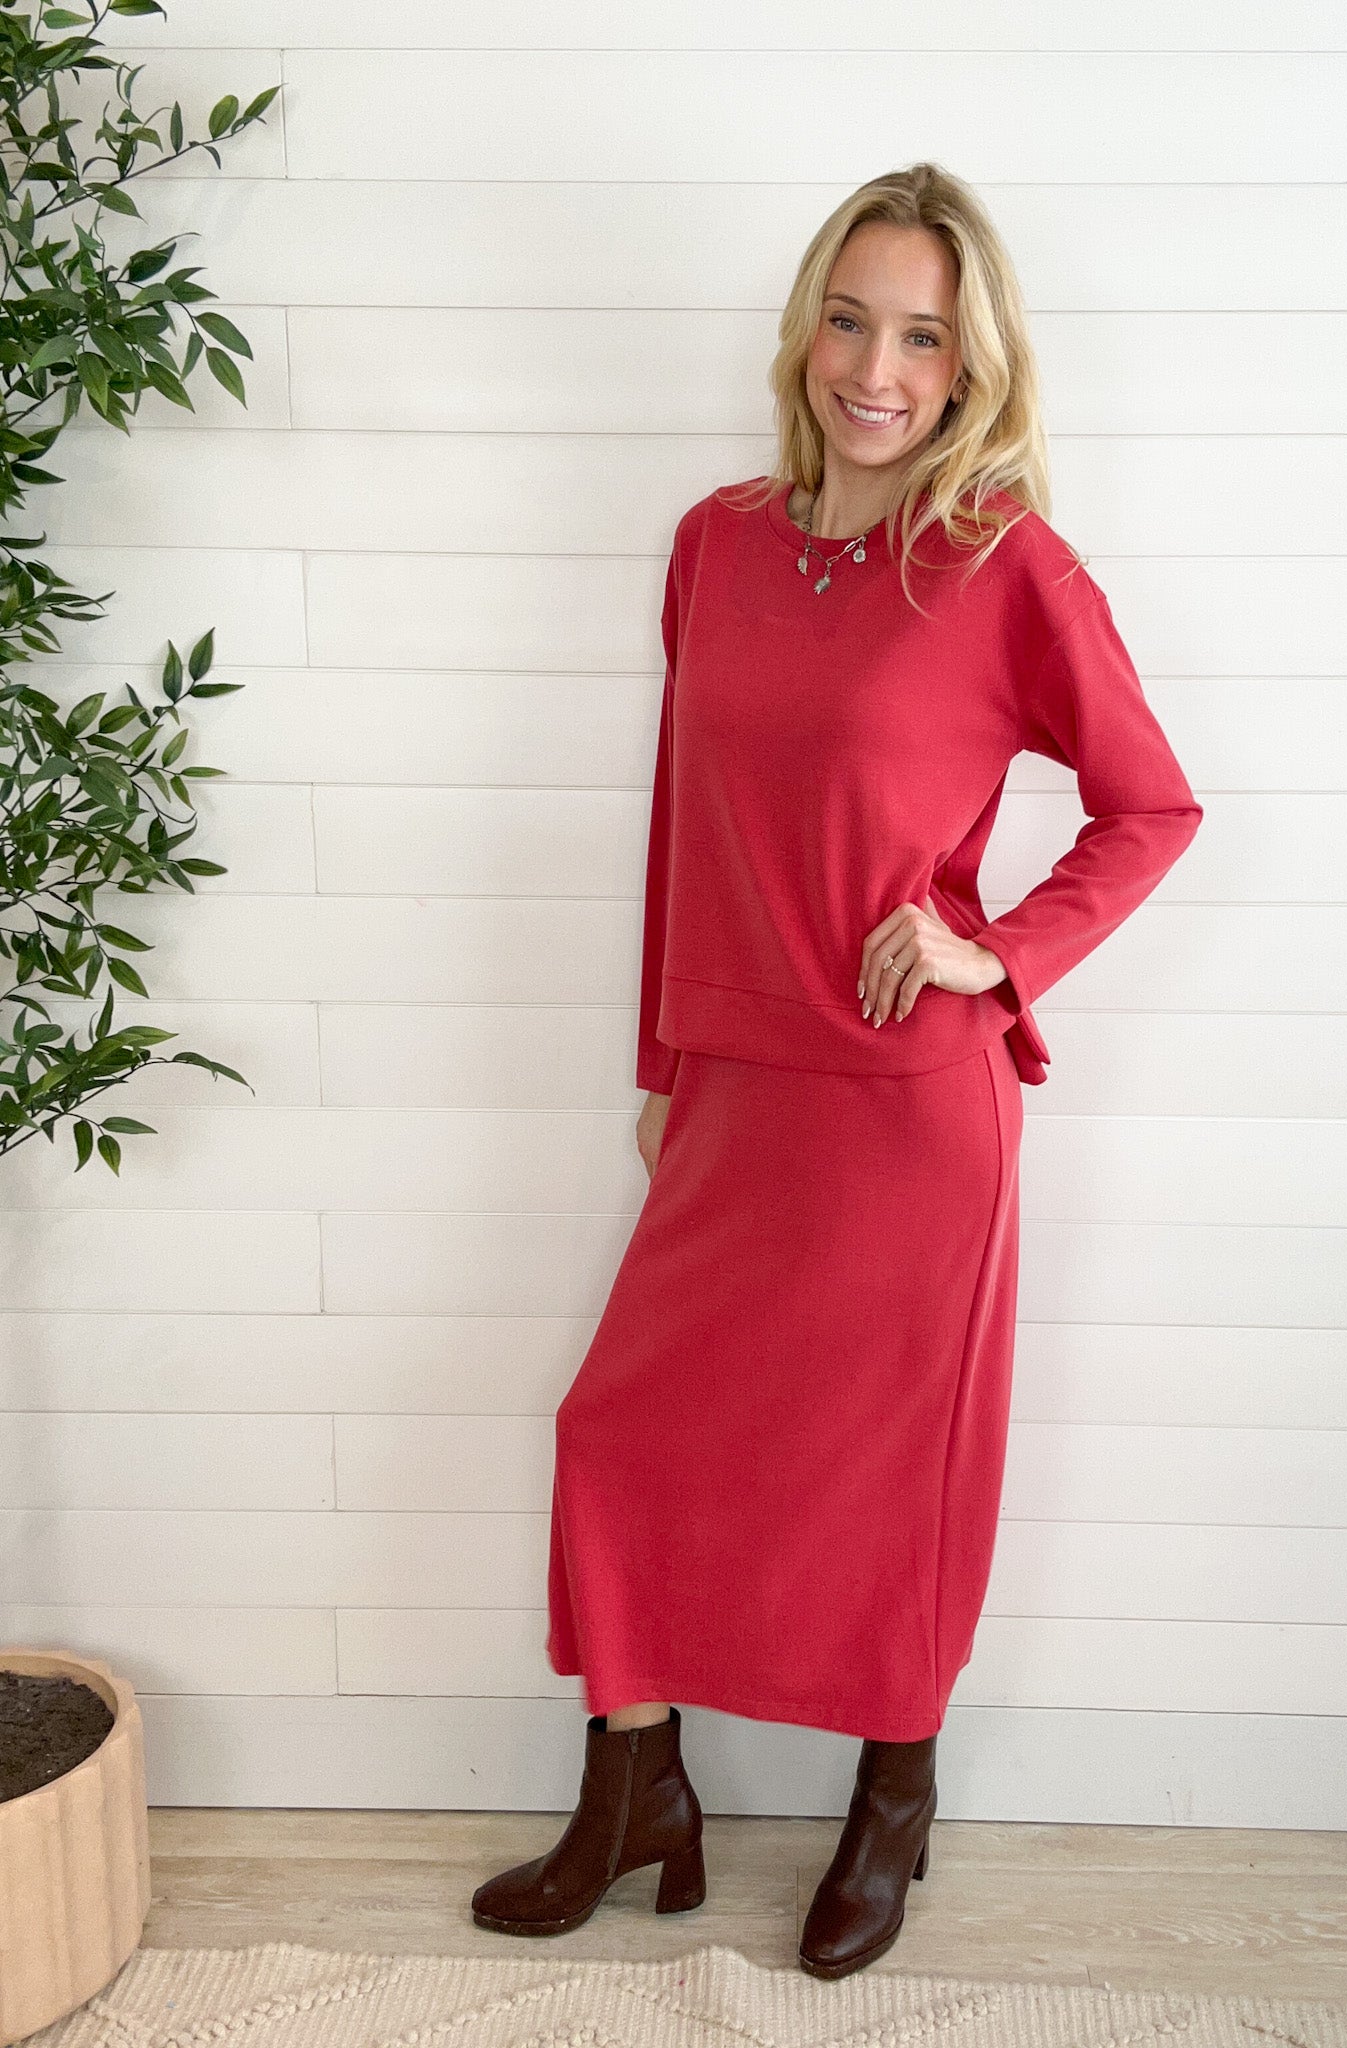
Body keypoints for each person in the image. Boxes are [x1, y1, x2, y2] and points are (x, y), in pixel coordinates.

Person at [471, 160, 1203, 1979]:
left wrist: (997, 948)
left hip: (907, 1102)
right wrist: (664, 1060)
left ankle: (895, 1797)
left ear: (973, 367)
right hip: (739, 1086)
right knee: (615, 1434)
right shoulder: (716, 543)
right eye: (852, 323)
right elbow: (683, 823)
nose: (878, 370)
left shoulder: (1009, 567)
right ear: (806, 332)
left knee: (896, 1472)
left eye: (924, 339)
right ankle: (638, 1786)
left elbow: (1151, 807)